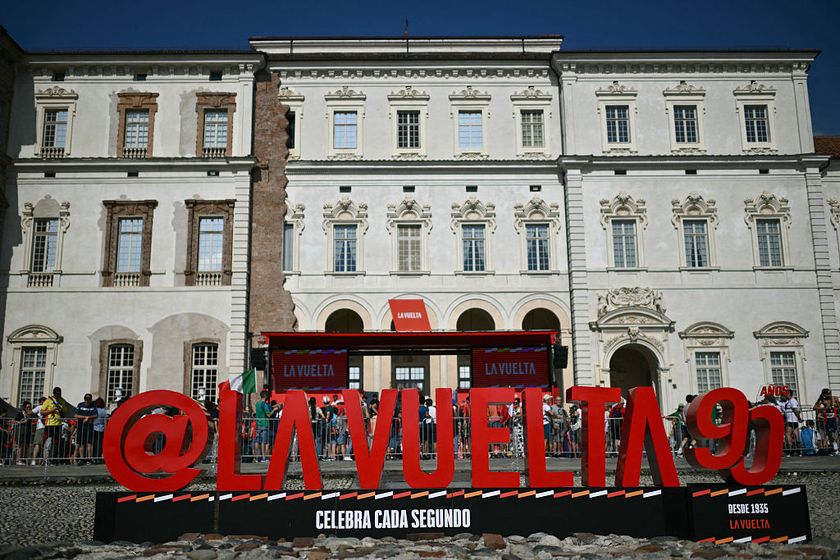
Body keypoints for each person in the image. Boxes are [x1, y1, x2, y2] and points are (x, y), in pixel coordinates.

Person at [40, 387, 69, 462]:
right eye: (56, 394)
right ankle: (46, 459)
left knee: (57, 442)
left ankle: (54, 458)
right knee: (49, 441)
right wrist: (52, 410)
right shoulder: (48, 400)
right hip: (49, 424)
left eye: (59, 394)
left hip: (58, 424)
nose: (58, 395)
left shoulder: (61, 400)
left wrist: (60, 408)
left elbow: (66, 410)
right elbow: (42, 412)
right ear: (54, 393)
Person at [814, 388, 839, 455]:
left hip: (834, 418)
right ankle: (832, 449)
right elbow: (815, 407)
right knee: (829, 434)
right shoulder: (822, 400)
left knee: (834, 434)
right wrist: (823, 408)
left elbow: (839, 407)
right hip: (827, 419)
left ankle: (835, 449)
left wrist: (835, 407)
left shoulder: (834, 398)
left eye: (830, 393)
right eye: (828, 394)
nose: (829, 395)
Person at [74, 393, 97, 465]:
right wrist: (85, 417)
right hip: (81, 426)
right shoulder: (80, 405)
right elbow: (76, 415)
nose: (87, 401)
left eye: (89, 400)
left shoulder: (93, 405)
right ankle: (82, 458)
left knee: (89, 443)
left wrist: (89, 418)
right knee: (81, 443)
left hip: (89, 426)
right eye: (86, 400)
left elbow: (96, 415)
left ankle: (89, 458)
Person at [779, 390, 802, 456]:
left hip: (791, 420)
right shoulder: (789, 401)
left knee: (787, 434)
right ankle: (798, 450)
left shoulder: (792, 401)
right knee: (796, 434)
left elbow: (795, 410)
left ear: (789, 394)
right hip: (791, 420)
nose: (785, 395)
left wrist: (799, 418)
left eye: (786, 393)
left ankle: (791, 449)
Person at [255, 390, 272, 462]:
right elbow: (269, 415)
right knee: (264, 441)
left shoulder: (257, 404)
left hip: (258, 424)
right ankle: (263, 457)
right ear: (265, 397)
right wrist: (273, 410)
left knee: (257, 441)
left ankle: (256, 457)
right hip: (264, 424)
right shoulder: (264, 404)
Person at [30, 397, 46, 465]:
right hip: (47, 427)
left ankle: (34, 460)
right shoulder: (48, 407)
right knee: (45, 445)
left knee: (37, 444)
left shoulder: (40, 407)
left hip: (40, 428)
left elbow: (30, 412)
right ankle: (43, 461)